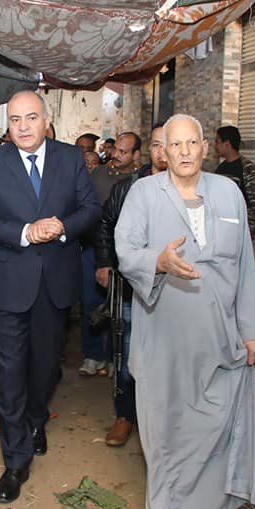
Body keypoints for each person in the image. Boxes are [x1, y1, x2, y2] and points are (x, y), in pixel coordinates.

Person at [115, 114, 255, 509]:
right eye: (175, 144)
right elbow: (125, 251)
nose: (184, 152)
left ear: (205, 148)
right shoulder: (144, 193)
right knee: (167, 434)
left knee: (216, 428)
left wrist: (253, 330)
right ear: (163, 151)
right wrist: (158, 261)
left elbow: (245, 265)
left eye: (192, 143)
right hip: (166, 338)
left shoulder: (229, 192)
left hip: (221, 338)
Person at [0, 90, 100, 504]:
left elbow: (90, 209)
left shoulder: (70, 158)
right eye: (15, 119)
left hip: (54, 283)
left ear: (46, 121)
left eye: (30, 118)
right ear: (7, 125)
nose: (23, 126)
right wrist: (25, 232)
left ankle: (36, 418)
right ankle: (16, 460)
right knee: (8, 374)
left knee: (44, 369)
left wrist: (62, 226)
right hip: (8, 284)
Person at [94, 123, 168, 447]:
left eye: (169, 144)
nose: (163, 152)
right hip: (131, 286)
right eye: (156, 145)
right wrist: (105, 262)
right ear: (147, 151)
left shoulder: (192, 191)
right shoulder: (128, 187)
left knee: (167, 356)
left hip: (174, 290)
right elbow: (105, 224)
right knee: (126, 351)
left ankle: (162, 421)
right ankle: (125, 416)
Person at [79, 132, 143, 377]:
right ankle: (93, 355)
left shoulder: (141, 181)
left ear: (136, 155)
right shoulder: (98, 174)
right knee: (91, 302)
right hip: (92, 249)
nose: (115, 154)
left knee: (122, 309)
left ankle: (118, 358)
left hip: (125, 253)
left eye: (123, 152)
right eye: (115, 148)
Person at [214, 126, 255, 237]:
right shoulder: (220, 168)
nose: (215, 146)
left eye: (217, 142)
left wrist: (245, 231)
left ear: (227, 144)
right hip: (222, 230)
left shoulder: (248, 169)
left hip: (239, 233)